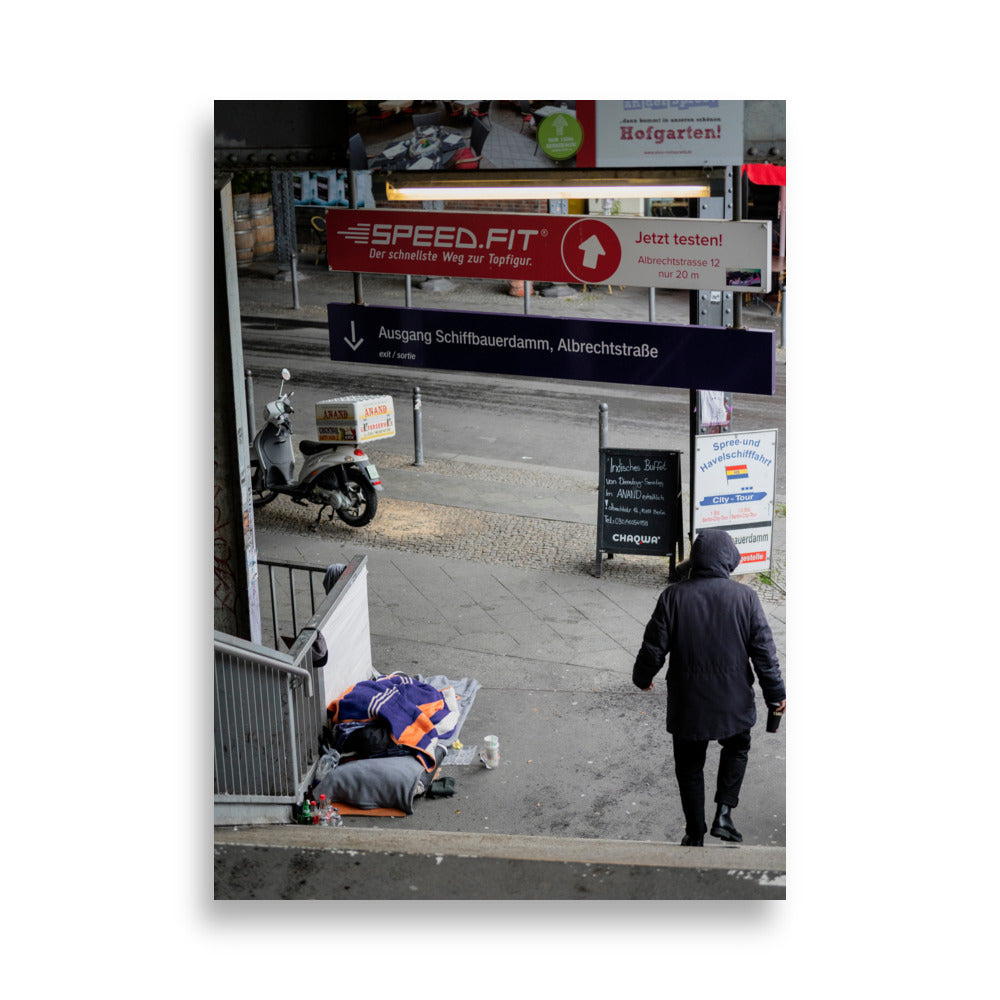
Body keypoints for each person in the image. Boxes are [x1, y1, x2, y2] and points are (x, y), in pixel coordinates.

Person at [632, 528, 786, 846]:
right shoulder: (746, 599)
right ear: (730, 559)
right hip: (734, 701)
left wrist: (643, 678)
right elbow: (764, 653)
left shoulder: (673, 596)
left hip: (689, 703)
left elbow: (653, 648)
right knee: (737, 747)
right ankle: (724, 814)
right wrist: (776, 695)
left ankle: (694, 831)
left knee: (689, 766)